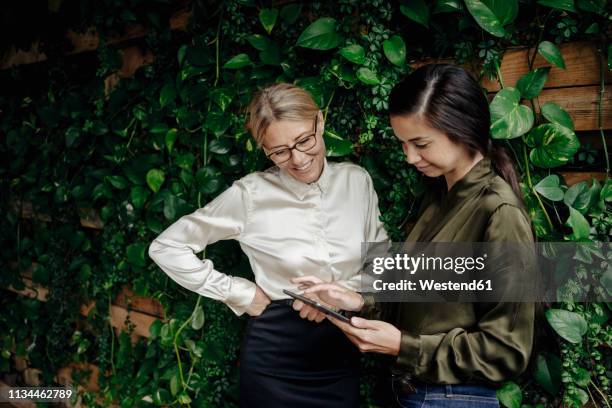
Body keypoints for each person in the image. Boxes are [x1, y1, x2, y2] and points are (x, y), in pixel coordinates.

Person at [296, 64, 535, 408]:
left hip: (453, 398)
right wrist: (356, 301)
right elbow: (422, 307)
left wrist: (402, 346)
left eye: (420, 143)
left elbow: (507, 351)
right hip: (414, 395)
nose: (410, 157)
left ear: (462, 129)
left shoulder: (499, 213)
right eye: (404, 144)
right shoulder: (438, 199)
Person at [148, 83, 388, 407]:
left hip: (339, 353)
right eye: (280, 151)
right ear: (264, 149)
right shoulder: (250, 194)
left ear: (320, 121)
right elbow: (166, 247)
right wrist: (241, 293)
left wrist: (350, 294)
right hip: (275, 355)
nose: (298, 159)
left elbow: (382, 264)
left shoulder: (356, 181)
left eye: (305, 140)